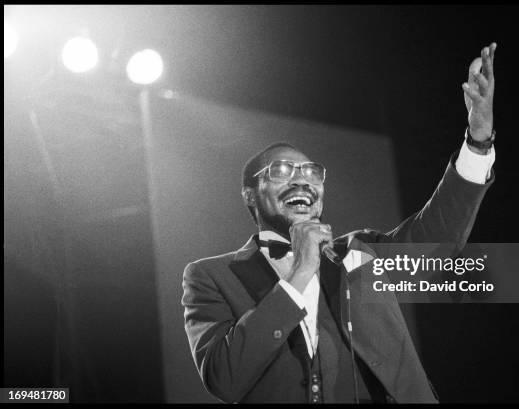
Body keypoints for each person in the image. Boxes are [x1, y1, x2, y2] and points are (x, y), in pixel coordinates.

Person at [182, 42, 498, 403]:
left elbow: (436, 241)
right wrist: (300, 271)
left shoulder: (359, 254)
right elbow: (224, 378)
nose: (301, 180)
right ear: (250, 194)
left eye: (311, 172)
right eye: (282, 171)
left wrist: (477, 141)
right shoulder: (209, 277)